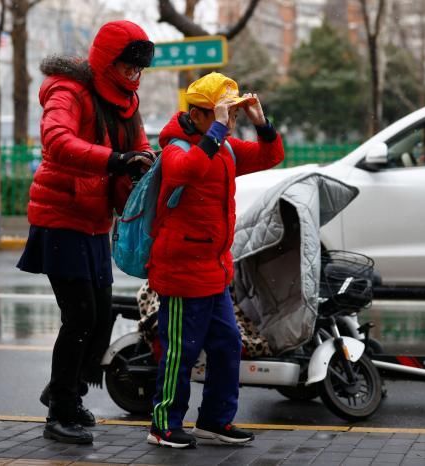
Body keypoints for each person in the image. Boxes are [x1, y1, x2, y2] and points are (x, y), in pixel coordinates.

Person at [16, 20, 155, 444]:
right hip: (61, 216)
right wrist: (116, 160)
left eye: (139, 70)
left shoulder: (125, 101)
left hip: (95, 220)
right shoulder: (68, 91)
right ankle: (60, 411)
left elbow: (141, 144)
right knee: (79, 316)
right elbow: (56, 140)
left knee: (99, 317)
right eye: (127, 67)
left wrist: (145, 159)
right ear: (107, 60)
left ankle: (68, 392)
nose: (133, 76)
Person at [146, 72, 285, 448]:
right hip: (180, 270)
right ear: (199, 114)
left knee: (226, 345)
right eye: (224, 113)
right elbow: (184, 171)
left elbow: (271, 155)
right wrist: (218, 132)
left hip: (215, 269)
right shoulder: (176, 144)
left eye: (234, 114)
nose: (231, 120)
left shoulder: (224, 146)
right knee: (181, 352)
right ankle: (164, 425)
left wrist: (261, 123)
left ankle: (215, 420)